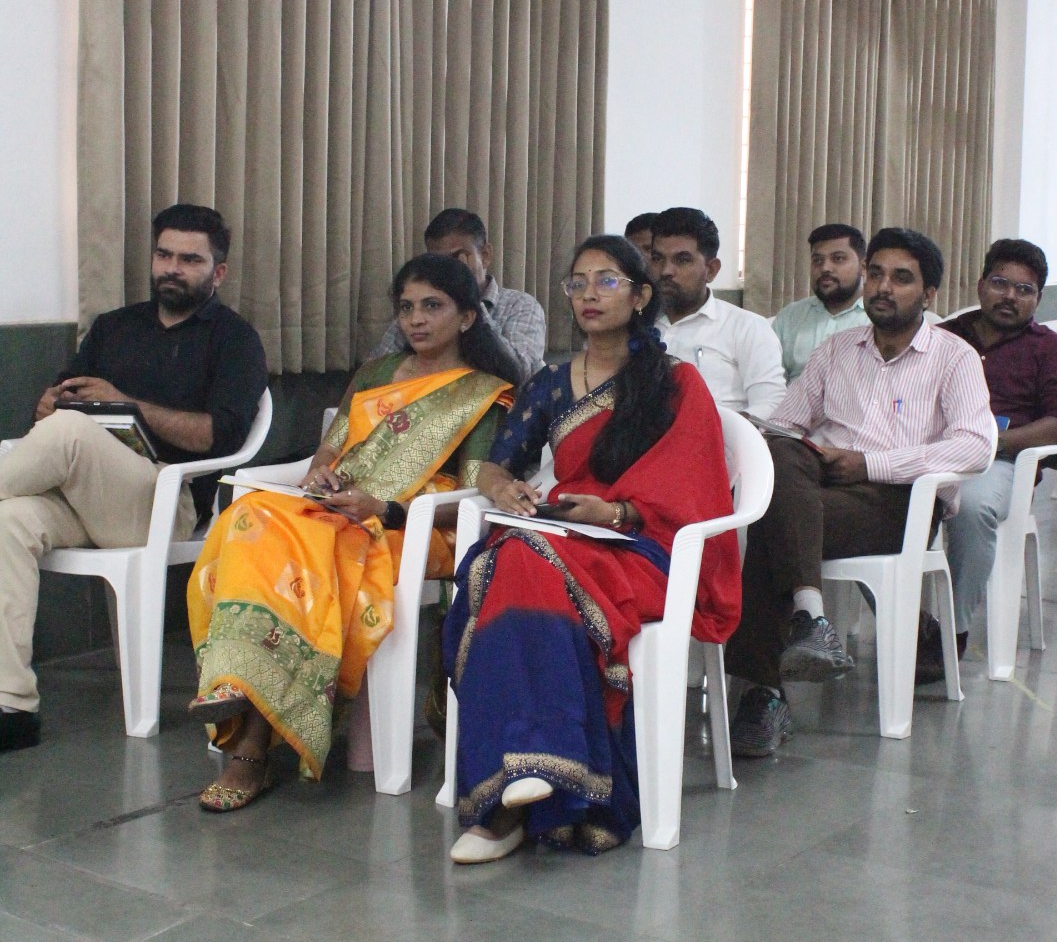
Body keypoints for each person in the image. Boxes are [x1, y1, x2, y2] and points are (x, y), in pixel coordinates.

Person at [444, 233, 741, 862]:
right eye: (577, 283)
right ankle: (531, 775)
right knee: (508, 561)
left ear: (640, 296)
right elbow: (495, 464)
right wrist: (504, 489)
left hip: (642, 548)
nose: (589, 295)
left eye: (607, 281)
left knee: (518, 563)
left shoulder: (675, 383)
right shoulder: (551, 382)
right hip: (563, 534)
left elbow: (696, 491)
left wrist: (617, 511)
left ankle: (508, 804)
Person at [188, 254, 515, 810]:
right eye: (406, 307)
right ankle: (239, 679)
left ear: (466, 317)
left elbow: (472, 496)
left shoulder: (484, 392)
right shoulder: (374, 374)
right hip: (341, 507)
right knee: (251, 515)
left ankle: (250, 742)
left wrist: (384, 507)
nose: (416, 319)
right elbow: (331, 449)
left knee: (315, 543)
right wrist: (322, 474)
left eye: (432, 306)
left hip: (414, 526)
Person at [0, 205, 267, 754]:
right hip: (88, 495)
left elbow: (221, 436)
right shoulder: (114, 327)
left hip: (167, 502)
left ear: (217, 272)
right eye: (164, 255)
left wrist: (125, 405)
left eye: (189, 260)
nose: (172, 268)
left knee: (72, 431)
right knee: (8, 519)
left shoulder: (234, 339)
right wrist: (48, 403)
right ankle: (12, 706)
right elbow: (56, 404)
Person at [726, 227, 996, 758]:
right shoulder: (836, 351)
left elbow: (975, 447)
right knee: (780, 453)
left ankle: (765, 693)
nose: (883, 287)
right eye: (876, 274)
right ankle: (811, 617)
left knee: (769, 522)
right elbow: (785, 424)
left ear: (928, 294)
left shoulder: (954, 356)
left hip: (899, 503)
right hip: (821, 489)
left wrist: (871, 463)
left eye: (901, 278)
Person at [940, 240, 1057, 663]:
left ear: (1038, 298)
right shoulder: (944, 337)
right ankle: (910, 620)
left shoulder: (1052, 350)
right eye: (1000, 283)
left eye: (1024, 290)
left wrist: (994, 442)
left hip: (1000, 462)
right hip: (930, 453)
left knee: (970, 507)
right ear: (981, 284)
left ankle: (950, 632)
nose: (1010, 296)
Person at [375, 208, 546, 384]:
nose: (447, 272)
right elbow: (377, 373)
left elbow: (522, 374)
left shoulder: (519, 305)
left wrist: (468, 297)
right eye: (437, 264)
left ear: (485, 255)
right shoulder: (417, 312)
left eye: (456, 259)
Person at [651, 207, 785, 417]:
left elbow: (771, 404)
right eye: (657, 259)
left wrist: (721, 429)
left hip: (720, 434)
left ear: (711, 270)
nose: (666, 271)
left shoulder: (746, 327)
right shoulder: (637, 324)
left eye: (682, 260)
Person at [773, 223, 869, 382]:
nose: (825, 268)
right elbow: (769, 381)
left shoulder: (880, 320)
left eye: (838, 259)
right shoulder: (789, 317)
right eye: (817, 260)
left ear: (863, 267)